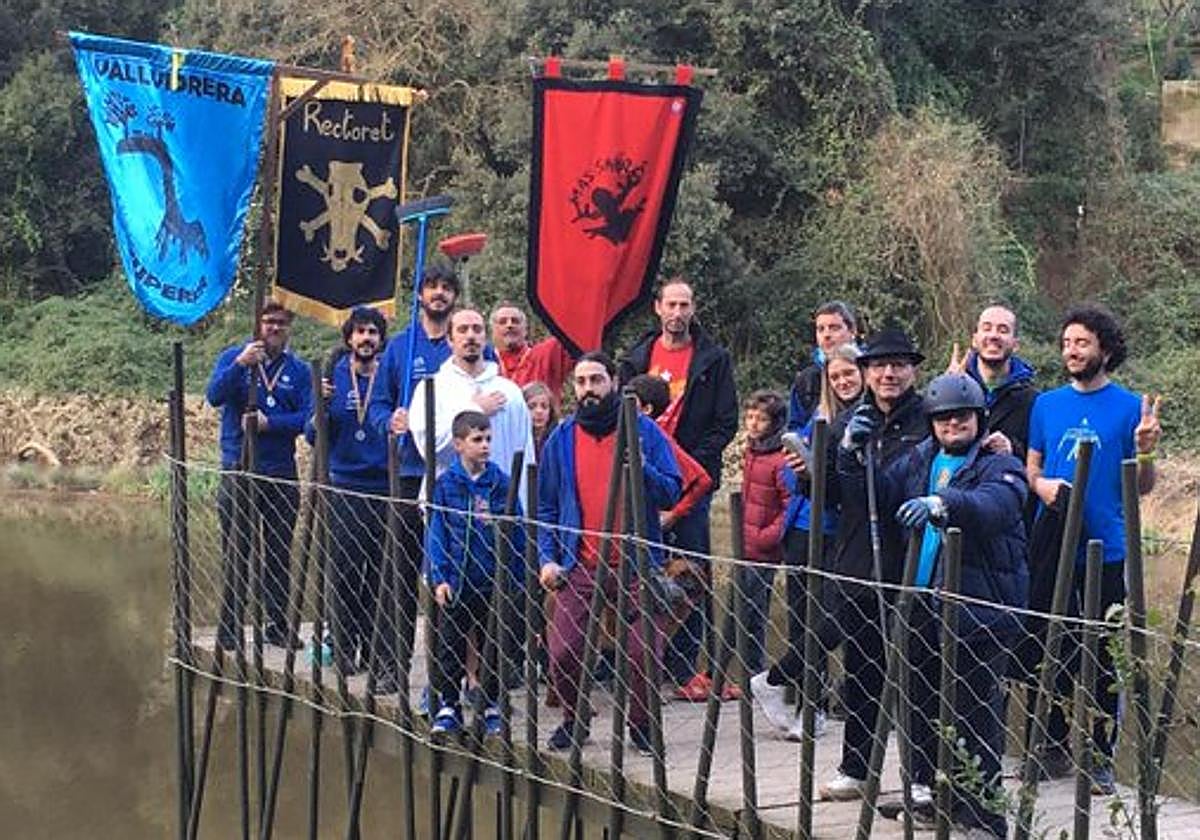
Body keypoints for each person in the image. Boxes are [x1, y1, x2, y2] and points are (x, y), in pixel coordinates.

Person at [849, 372, 1029, 837]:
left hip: (978, 610)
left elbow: (997, 507)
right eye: (943, 417)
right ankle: (934, 799)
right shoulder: (920, 459)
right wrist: (854, 454)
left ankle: (987, 818)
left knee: (976, 717)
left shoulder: (998, 464)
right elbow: (881, 492)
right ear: (931, 422)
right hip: (922, 604)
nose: (952, 424)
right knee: (921, 709)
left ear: (978, 419)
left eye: (962, 417)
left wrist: (942, 503)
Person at [1025, 304, 1162, 793]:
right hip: (1053, 545)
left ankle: (1101, 757)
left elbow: (1142, 486)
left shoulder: (1129, 408)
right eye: (1066, 343)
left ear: (1104, 348)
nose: (1071, 351)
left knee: (1104, 654)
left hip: (1107, 547)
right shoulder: (1047, 404)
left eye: (1081, 343)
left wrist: (1145, 449)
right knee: (1049, 645)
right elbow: (1032, 468)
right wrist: (1040, 488)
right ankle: (1052, 746)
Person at [538, 353, 682, 755]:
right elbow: (546, 506)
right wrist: (546, 558)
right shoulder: (562, 437)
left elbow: (672, 490)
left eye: (596, 380)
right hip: (580, 562)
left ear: (614, 383)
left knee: (642, 653)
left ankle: (640, 724)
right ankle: (575, 716)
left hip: (638, 564)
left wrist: (639, 467)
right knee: (563, 650)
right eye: (581, 382)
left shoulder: (645, 432)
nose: (588, 389)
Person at [367, 263, 495, 687]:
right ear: (419, 295)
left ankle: (452, 672)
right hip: (410, 473)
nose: (439, 294)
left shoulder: (471, 350)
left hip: (459, 483)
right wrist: (393, 420)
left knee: (456, 575)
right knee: (401, 573)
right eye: (431, 287)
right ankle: (392, 667)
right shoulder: (400, 348)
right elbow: (378, 403)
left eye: (446, 288)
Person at [818, 328, 929, 801]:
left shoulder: (930, 418)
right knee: (863, 672)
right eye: (880, 365)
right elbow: (822, 494)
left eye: (899, 364)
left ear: (912, 370)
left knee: (917, 675)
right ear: (865, 371)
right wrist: (841, 454)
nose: (889, 373)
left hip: (912, 565)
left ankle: (922, 776)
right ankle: (858, 768)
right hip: (859, 563)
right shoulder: (847, 422)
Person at [619, 278, 738, 696]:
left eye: (684, 304)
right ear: (657, 308)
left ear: (693, 308)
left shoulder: (713, 359)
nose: (677, 312)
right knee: (635, 573)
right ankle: (632, 663)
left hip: (690, 481)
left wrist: (681, 465)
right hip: (639, 485)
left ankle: (687, 667)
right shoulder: (636, 359)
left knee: (692, 575)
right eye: (671, 304)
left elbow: (725, 423)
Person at [752, 341, 864, 739]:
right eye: (835, 377)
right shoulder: (820, 423)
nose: (843, 381)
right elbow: (796, 479)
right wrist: (804, 471)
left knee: (840, 620)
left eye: (849, 372)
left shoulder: (870, 420)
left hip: (849, 535)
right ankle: (806, 706)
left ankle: (776, 680)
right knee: (807, 619)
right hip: (809, 530)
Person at [207, 299, 313, 649]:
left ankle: (278, 624)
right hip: (239, 468)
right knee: (238, 550)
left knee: (279, 552)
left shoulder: (298, 371)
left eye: (281, 322)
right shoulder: (234, 358)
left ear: (289, 327)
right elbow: (214, 396)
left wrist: (272, 424)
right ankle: (231, 626)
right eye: (268, 321)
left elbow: (308, 418)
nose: (274, 328)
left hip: (280, 471)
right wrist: (240, 365)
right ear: (258, 325)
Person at [305, 306, 393, 685]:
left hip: (383, 488)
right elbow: (312, 436)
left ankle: (373, 650)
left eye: (372, 332)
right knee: (342, 573)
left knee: (378, 575)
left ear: (380, 339)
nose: (366, 339)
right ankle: (342, 648)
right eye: (360, 332)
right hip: (343, 486)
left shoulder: (389, 376)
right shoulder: (332, 377)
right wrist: (321, 407)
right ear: (349, 339)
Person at [426, 411, 525, 736]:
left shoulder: (500, 483)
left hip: (492, 580)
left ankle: (490, 703)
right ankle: (449, 704)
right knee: (451, 645)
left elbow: (517, 529)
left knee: (492, 643)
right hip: (457, 579)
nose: (484, 446)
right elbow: (437, 532)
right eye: (477, 440)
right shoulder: (445, 485)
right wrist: (438, 576)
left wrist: (518, 574)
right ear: (458, 444)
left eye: (488, 440)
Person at [409, 307, 536, 496]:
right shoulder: (431, 389)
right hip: (448, 506)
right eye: (462, 330)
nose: (470, 336)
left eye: (477, 329)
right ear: (449, 340)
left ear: (485, 338)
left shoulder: (510, 392)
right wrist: (475, 409)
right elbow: (429, 447)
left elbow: (525, 456)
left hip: (500, 506)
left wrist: (521, 511)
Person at [735, 390, 791, 678]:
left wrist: (766, 538)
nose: (754, 423)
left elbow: (789, 505)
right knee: (739, 607)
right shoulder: (752, 451)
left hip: (762, 548)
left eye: (761, 419)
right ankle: (737, 671)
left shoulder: (780, 460)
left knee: (753, 612)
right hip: (742, 544)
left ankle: (752, 672)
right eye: (751, 417)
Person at [949, 304, 1038, 461]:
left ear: (1016, 344)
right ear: (975, 339)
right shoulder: (951, 385)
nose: (993, 335)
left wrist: (1012, 449)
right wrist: (949, 392)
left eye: (1003, 330)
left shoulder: (1032, 400)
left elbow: (1040, 459)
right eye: (987, 328)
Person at [788, 300, 859, 433]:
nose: (826, 335)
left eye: (834, 328)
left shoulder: (874, 369)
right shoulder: (806, 380)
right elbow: (794, 426)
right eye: (821, 329)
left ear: (852, 330)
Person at [490, 301, 574, 404]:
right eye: (503, 322)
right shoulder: (483, 362)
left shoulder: (546, 354)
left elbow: (574, 331)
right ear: (493, 331)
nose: (510, 325)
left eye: (515, 321)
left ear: (525, 329)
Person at [523, 380, 560, 462]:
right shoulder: (519, 439)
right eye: (532, 407)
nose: (539, 411)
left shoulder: (558, 438)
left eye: (544, 406)